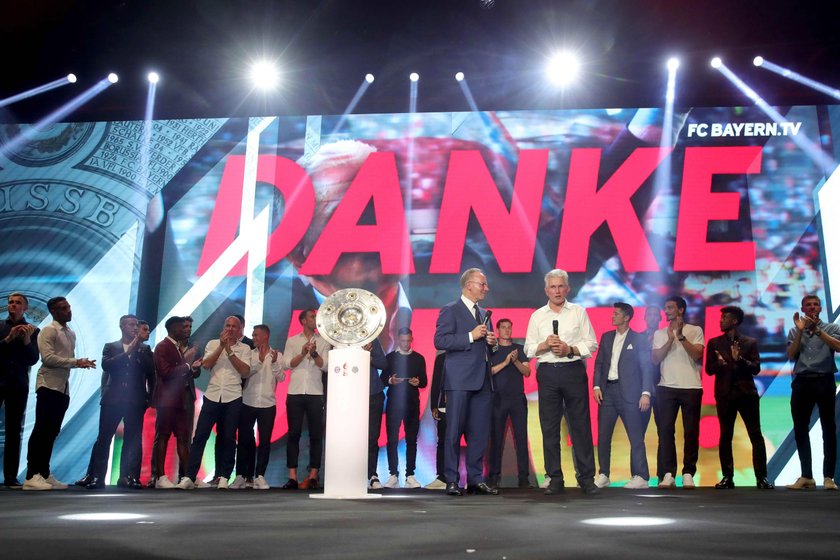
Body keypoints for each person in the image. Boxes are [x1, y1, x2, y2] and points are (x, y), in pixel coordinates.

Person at [524, 269, 599, 496]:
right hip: (547, 373)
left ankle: (586, 479)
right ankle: (555, 478)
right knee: (549, 428)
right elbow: (528, 348)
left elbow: (591, 344)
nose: (557, 291)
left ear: (567, 289)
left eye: (560, 286)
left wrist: (570, 349)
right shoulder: (537, 316)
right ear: (546, 290)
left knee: (580, 427)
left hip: (573, 370)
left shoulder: (578, 312)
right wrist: (544, 345)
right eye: (552, 287)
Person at [433, 268, 499, 496]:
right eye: (483, 284)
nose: (486, 288)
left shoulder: (483, 313)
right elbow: (440, 340)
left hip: (482, 380)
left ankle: (475, 478)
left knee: (479, 433)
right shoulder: (450, 310)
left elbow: (486, 346)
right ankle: (451, 479)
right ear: (469, 285)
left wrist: (491, 341)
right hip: (459, 380)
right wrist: (471, 336)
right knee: (453, 431)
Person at [23, 297, 96, 491]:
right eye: (64, 308)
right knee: (41, 431)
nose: (69, 311)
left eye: (69, 307)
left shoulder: (70, 333)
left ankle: (44, 473)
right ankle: (32, 475)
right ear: (54, 312)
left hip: (63, 387)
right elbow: (47, 359)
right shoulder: (49, 330)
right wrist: (75, 362)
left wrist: (76, 363)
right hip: (47, 385)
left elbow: (64, 359)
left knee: (52, 432)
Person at [75, 315, 155, 490]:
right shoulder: (111, 347)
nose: (135, 328)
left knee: (133, 439)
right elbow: (107, 365)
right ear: (121, 326)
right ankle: (96, 476)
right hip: (113, 399)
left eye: (136, 325)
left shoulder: (145, 349)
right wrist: (127, 353)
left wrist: (150, 397)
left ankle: (129, 476)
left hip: (135, 400)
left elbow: (151, 373)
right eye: (131, 325)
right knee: (104, 438)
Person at [177, 316, 252, 489]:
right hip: (212, 395)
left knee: (228, 437)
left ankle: (225, 476)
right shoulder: (212, 344)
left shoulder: (245, 348)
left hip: (233, 396)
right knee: (200, 436)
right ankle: (190, 476)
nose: (230, 329)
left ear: (240, 329)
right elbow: (207, 365)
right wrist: (221, 346)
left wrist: (230, 351)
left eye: (234, 326)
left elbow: (245, 371)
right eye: (228, 325)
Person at [705, 306, 774, 490]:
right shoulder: (714, 343)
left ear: (734, 321)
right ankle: (728, 477)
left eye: (724, 318)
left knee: (755, 435)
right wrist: (719, 363)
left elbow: (756, 368)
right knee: (725, 436)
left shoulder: (750, 342)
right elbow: (709, 370)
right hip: (725, 395)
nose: (721, 320)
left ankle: (761, 478)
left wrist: (739, 359)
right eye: (721, 318)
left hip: (746, 394)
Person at [592, 303, 652, 489]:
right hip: (607, 392)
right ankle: (603, 474)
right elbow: (600, 364)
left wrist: (645, 393)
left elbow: (646, 367)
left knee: (635, 436)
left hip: (630, 393)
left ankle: (641, 476)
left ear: (626, 317)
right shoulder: (607, 337)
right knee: (603, 436)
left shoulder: (638, 338)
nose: (612, 316)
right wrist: (596, 386)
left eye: (616, 314)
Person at [785, 295, 840, 490]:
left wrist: (817, 331)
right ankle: (806, 475)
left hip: (824, 380)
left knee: (828, 429)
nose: (812, 307)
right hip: (802, 382)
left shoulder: (832, 328)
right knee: (800, 428)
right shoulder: (794, 330)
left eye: (815, 304)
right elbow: (791, 355)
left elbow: (839, 347)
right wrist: (801, 332)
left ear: (820, 308)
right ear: (803, 308)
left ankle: (828, 477)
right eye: (808, 305)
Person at [651, 296, 704, 489]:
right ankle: (668, 473)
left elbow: (698, 354)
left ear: (681, 310)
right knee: (665, 431)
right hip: (666, 388)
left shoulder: (695, 330)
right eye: (665, 308)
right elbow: (655, 359)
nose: (666, 311)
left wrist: (681, 336)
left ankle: (688, 472)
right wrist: (670, 339)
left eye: (670, 308)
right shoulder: (659, 333)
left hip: (691, 387)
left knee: (691, 432)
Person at [280, 308, 330, 490]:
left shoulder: (323, 341)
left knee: (316, 435)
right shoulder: (293, 341)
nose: (315, 319)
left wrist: (315, 354)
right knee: (293, 434)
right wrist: (302, 353)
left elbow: (326, 367)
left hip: (316, 393)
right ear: (303, 320)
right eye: (312, 317)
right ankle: (292, 476)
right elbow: (286, 364)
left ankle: (313, 475)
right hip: (295, 393)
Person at [230, 325, 284, 490]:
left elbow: (281, 378)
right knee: (245, 440)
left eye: (256, 335)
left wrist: (274, 363)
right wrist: (259, 362)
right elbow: (244, 374)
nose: (253, 338)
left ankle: (260, 475)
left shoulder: (277, 355)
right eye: (253, 335)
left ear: (266, 336)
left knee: (265, 441)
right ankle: (240, 475)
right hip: (248, 401)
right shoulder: (249, 354)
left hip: (268, 403)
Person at [151, 316, 202, 489]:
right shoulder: (162, 347)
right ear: (174, 329)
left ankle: (188, 477)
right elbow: (165, 372)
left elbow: (180, 374)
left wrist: (193, 369)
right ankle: (160, 477)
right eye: (182, 327)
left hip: (180, 400)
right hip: (166, 400)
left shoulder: (176, 348)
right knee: (163, 436)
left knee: (182, 438)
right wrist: (187, 367)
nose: (186, 330)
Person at [487, 318, 533, 489]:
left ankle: (524, 478)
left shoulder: (519, 349)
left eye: (509, 327)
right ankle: (493, 477)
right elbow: (488, 372)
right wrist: (506, 362)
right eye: (503, 328)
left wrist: (515, 361)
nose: (507, 330)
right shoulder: (492, 350)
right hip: (497, 399)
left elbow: (527, 372)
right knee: (496, 439)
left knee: (521, 439)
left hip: (517, 399)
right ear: (497, 330)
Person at [0, 293, 40, 488]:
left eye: (18, 303)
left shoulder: (34, 330)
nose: (13, 306)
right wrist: (9, 338)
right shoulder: (0, 326)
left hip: (18, 385)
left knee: (14, 432)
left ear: (25, 308)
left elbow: (33, 359)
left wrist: (25, 340)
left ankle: (10, 477)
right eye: (11, 303)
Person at [381, 328, 427, 489]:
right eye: (403, 341)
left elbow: (424, 381)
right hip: (394, 404)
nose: (406, 344)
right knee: (392, 440)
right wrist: (390, 380)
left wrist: (417, 382)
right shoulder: (391, 357)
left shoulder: (419, 358)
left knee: (411, 440)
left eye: (408, 340)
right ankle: (393, 474)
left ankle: (410, 475)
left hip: (412, 404)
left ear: (411, 339)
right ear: (398, 340)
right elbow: (382, 379)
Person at [366, 339, 388, 489]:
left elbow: (383, 363)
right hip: (349, 395)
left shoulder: (371, 338)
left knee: (372, 437)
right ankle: (350, 473)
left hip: (373, 392)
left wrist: (370, 356)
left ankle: (372, 475)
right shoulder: (341, 337)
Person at [424, 351, 448, 490]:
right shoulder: (441, 358)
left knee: (467, 440)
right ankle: (441, 477)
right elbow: (436, 382)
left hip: (464, 406)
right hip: (444, 406)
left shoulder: (466, 355)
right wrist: (434, 405)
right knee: (443, 442)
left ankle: (470, 477)